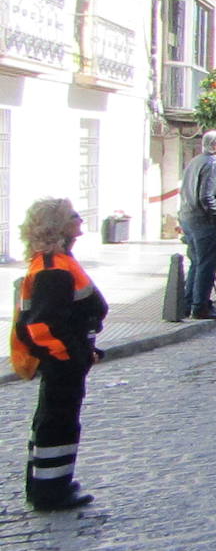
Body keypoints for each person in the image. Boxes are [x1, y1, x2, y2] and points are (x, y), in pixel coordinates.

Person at [11, 198, 108, 511]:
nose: (80, 220)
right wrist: (73, 357)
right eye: (73, 216)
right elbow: (41, 325)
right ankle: (51, 492)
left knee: (55, 422)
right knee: (58, 424)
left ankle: (48, 484)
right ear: (58, 226)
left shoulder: (59, 260)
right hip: (62, 362)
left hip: (67, 358)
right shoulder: (53, 267)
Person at [179, 130, 216, 320]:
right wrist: (215, 216)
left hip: (188, 218)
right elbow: (205, 195)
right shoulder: (212, 163)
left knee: (197, 262)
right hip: (203, 222)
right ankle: (200, 306)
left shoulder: (196, 161)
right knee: (206, 265)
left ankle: (188, 304)